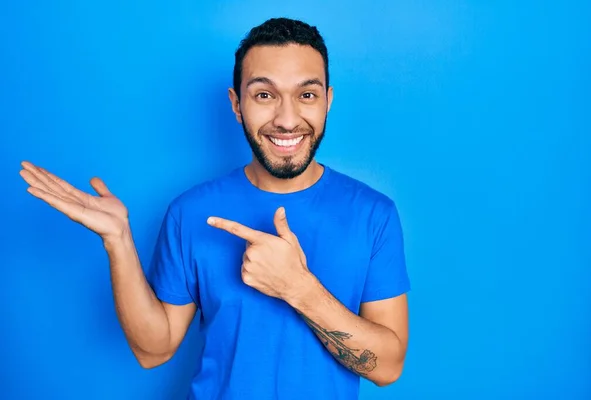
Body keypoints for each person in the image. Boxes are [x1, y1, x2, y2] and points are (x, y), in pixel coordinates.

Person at [19, 17, 410, 400]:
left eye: (306, 95)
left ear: (328, 100)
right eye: (264, 95)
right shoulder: (190, 212)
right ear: (236, 104)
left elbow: (387, 368)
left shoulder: (374, 215)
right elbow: (153, 350)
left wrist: (297, 288)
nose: (287, 120)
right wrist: (118, 241)